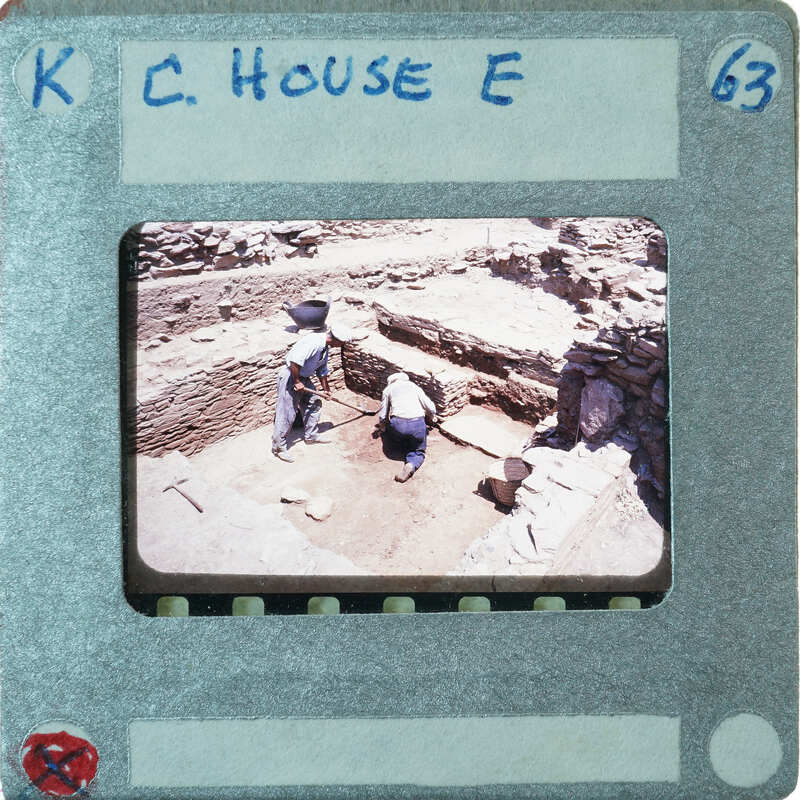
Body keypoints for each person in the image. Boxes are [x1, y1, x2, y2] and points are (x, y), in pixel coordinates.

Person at [271, 324, 353, 462]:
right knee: (287, 413)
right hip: (291, 376)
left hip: (303, 377)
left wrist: (326, 389)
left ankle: (311, 435)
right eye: (342, 344)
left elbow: (322, 370)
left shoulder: (325, 347)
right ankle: (278, 447)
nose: (341, 346)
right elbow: (294, 361)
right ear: (337, 340)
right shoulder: (314, 342)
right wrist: (296, 381)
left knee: (314, 403)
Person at [377, 372, 437, 482]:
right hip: (417, 424)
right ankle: (411, 464)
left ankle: (399, 444)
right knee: (417, 450)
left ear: (391, 381)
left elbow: (382, 415)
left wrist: (383, 427)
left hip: (398, 425)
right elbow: (431, 407)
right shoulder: (415, 387)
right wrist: (432, 417)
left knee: (391, 432)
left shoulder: (388, 390)